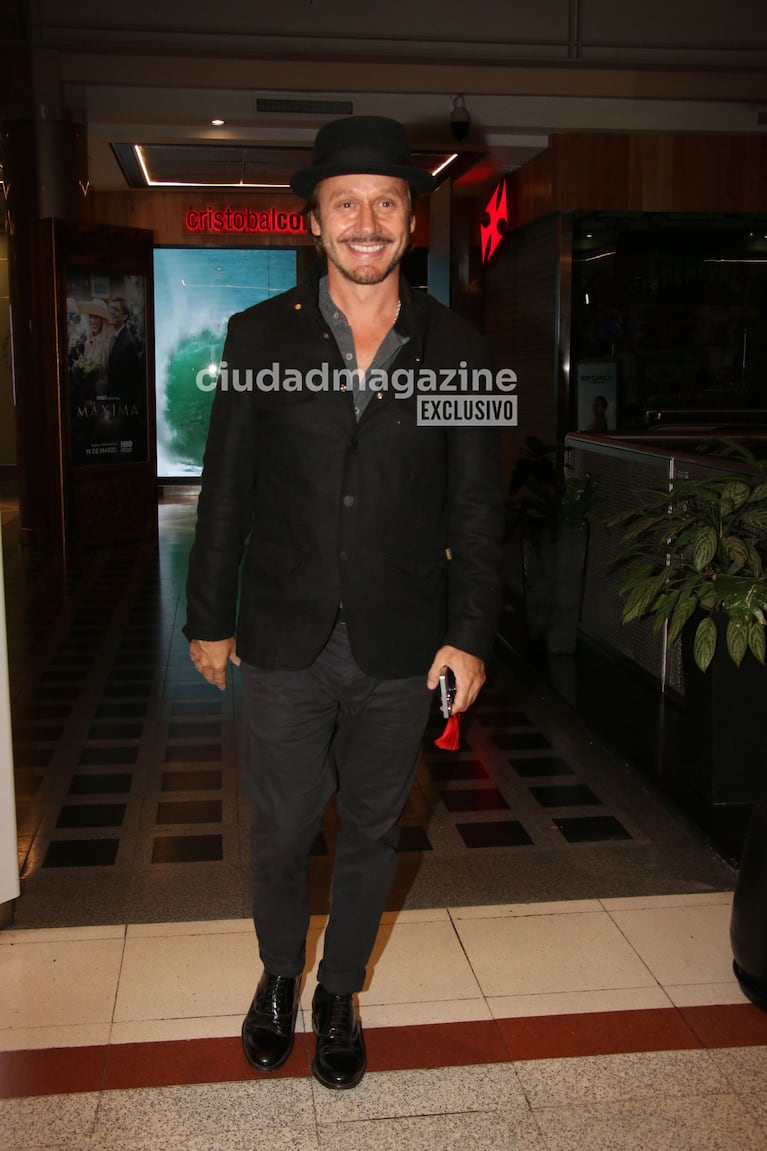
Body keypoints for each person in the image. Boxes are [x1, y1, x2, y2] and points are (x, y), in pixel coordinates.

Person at [184, 115, 504, 1091]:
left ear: (411, 222)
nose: (365, 221)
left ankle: (336, 992)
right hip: (281, 631)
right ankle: (279, 972)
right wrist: (207, 614)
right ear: (315, 223)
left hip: (402, 638)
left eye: (385, 203)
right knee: (281, 825)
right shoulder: (256, 337)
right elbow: (227, 487)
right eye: (344, 204)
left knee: (370, 826)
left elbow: (476, 508)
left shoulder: (462, 348)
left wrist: (469, 633)